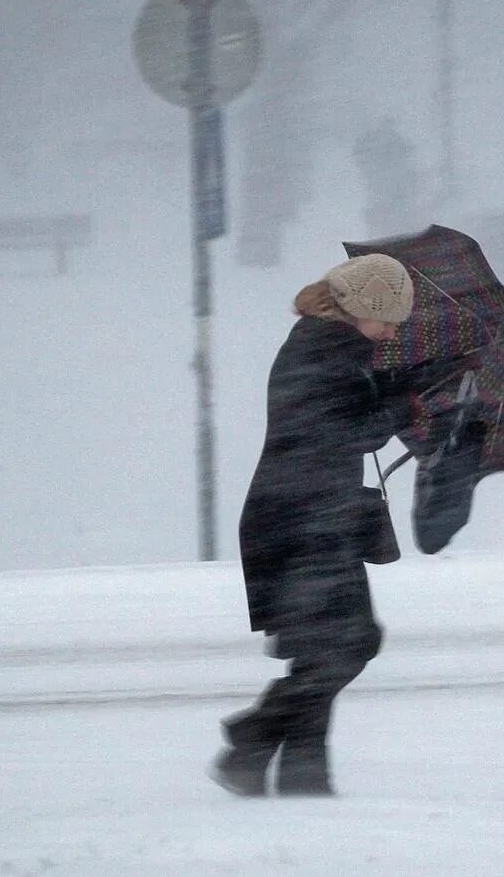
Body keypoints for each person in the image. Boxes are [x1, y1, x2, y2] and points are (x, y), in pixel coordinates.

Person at [212, 253, 417, 797]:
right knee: (351, 643)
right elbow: (354, 431)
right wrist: (401, 404)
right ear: (363, 307)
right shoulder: (322, 352)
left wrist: (399, 389)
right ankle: (252, 738)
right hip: (300, 520)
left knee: (324, 650)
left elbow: (350, 419)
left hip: (305, 514)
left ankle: (301, 781)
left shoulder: (328, 347)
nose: (394, 328)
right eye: (390, 317)